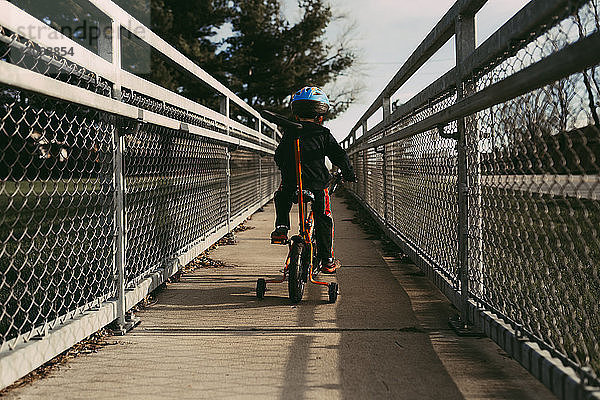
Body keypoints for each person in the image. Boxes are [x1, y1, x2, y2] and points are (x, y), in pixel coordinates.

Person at [270, 86, 356, 274]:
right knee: (323, 216)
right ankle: (327, 259)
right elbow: (339, 155)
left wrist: (286, 168)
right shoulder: (323, 134)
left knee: (281, 196)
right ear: (320, 117)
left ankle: (282, 227)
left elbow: (279, 156)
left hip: (292, 184)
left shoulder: (290, 134)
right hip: (317, 184)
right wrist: (348, 172)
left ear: (296, 115)